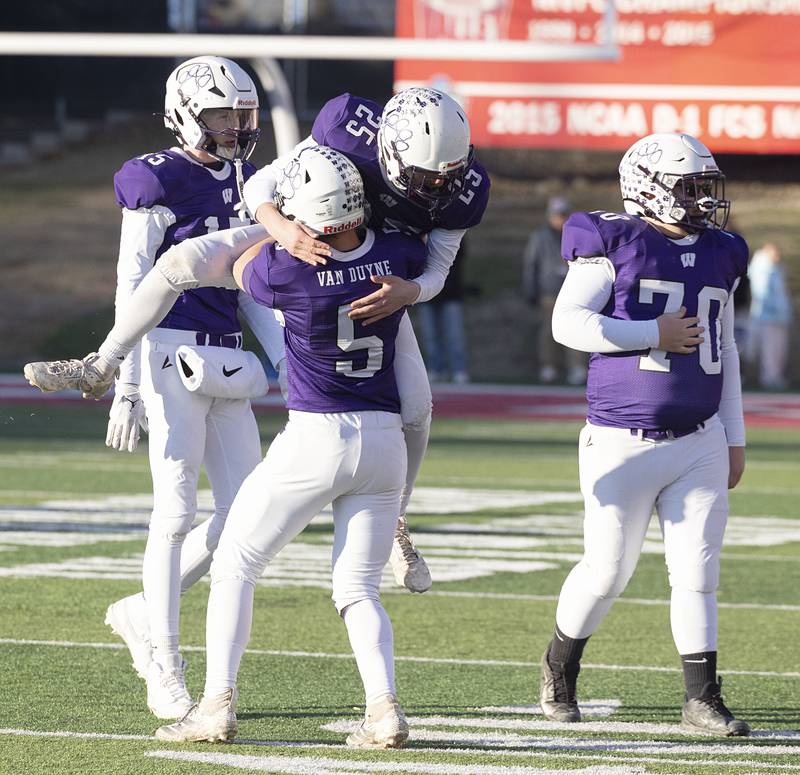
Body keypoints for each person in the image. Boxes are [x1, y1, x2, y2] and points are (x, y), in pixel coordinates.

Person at [26, 56, 286, 720]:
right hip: (168, 353)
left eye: (241, 114)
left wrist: (289, 359)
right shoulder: (157, 178)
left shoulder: (250, 182)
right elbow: (133, 280)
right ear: (186, 114)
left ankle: (142, 612)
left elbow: (254, 285)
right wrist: (129, 383)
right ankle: (165, 663)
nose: (234, 127)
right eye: (222, 114)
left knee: (245, 519)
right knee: (172, 515)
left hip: (227, 358)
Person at [143, 147, 423, 746]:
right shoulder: (399, 254)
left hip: (317, 435)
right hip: (384, 443)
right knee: (358, 588)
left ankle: (216, 703)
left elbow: (235, 263)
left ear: (310, 220)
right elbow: (410, 257)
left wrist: (278, 224)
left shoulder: (286, 268)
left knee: (236, 563)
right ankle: (385, 709)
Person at [541, 133, 750, 737]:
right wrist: (649, 334)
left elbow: (725, 345)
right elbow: (566, 323)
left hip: (700, 437)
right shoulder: (616, 242)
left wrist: (734, 435)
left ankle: (702, 697)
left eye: (705, 187)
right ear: (650, 188)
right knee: (607, 570)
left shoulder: (722, 252)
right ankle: (560, 665)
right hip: (620, 438)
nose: (703, 200)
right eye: (690, 187)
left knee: (697, 573)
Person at [242, 87, 491, 592]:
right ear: (390, 150)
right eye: (426, 177)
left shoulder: (466, 188)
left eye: (450, 176)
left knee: (418, 407)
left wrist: (410, 292)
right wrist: (283, 230)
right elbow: (261, 184)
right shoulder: (346, 130)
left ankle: (397, 515)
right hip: (296, 241)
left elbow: (439, 269)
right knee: (189, 265)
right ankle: (116, 355)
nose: (439, 189)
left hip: (376, 278)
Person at [522, 196, 587, 385]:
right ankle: (548, 366)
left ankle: (576, 367)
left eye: (564, 215)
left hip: (573, 290)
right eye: (558, 215)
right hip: (549, 290)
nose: (561, 219)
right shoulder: (540, 236)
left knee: (575, 329)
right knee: (548, 330)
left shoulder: (578, 235)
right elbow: (531, 264)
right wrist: (531, 290)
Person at [416, 240, 470, 384]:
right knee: (430, 336)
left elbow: (459, 255)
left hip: (451, 293)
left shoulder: (452, 232)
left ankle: (459, 369)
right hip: (426, 295)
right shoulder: (421, 233)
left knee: (454, 335)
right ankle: (436, 368)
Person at [747, 243, 792, 390]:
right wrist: (774, 311)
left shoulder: (775, 269)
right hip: (767, 317)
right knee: (770, 350)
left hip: (779, 317)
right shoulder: (763, 269)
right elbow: (762, 294)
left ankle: (774, 377)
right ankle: (769, 378)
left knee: (778, 350)